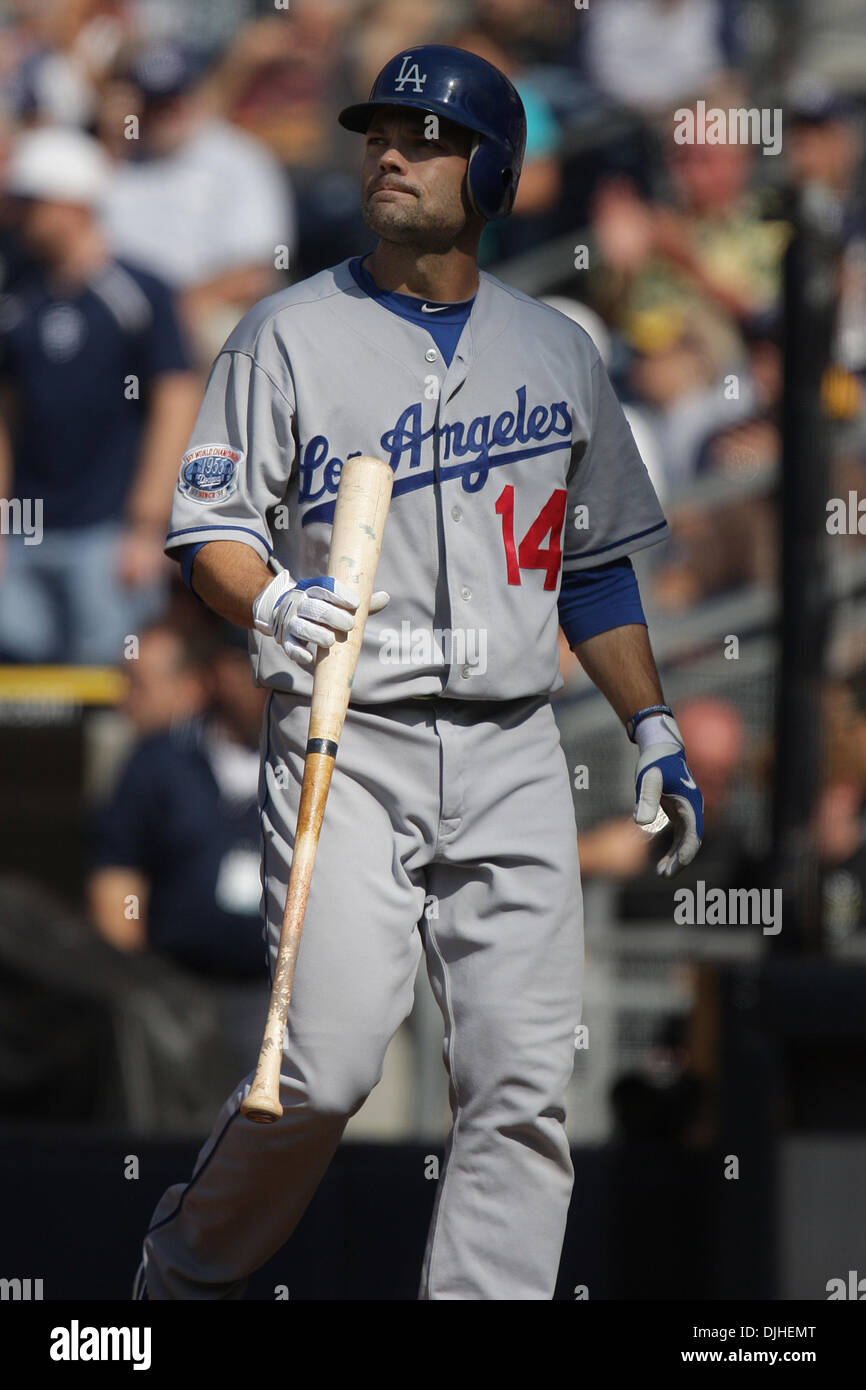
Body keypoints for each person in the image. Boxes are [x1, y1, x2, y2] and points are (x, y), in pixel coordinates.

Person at [135, 45, 704, 1302]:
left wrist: (650, 719)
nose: (391, 152)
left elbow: (594, 566)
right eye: (381, 130)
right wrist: (273, 594)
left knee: (521, 1088)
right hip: (354, 733)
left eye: (428, 136)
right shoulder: (284, 332)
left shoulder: (554, 352)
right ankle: (177, 1286)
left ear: (491, 171)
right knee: (320, 1071)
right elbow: (208, 531)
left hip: (512, 742)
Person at [0, 125, 199, 664]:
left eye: (30, 201)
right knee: (22, 703)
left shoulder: (140, 292)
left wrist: (146, 525)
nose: (16, 213)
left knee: (108, 689)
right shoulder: (15, 296)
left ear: (73, 204)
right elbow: (6, 414)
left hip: (109, 535)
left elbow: (175, 405)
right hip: (25, 534)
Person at [89, 622, 269, 1095]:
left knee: (276, 1138)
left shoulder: (313, 762)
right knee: (178, 1136)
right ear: (221, 675)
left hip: (277, 995)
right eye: (252, 668)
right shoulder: (161, 761)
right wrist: (136, 993)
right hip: (178, 992)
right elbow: (118, 878)